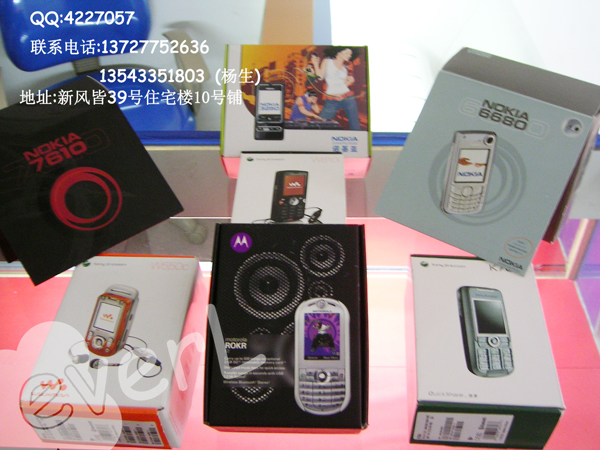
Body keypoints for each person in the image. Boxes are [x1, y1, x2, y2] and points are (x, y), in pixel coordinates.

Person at [312, 47, 361, 130]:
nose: (349, 55)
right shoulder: (327, 61)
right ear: (338, 52)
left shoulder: (344, 70)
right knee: (321, 125)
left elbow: (342, 86)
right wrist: (315, 64)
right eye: (347, 53)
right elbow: (320, 77)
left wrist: (349, 82)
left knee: (355, 125)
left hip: (348, 98)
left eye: (350, 54)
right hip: (332, 100)